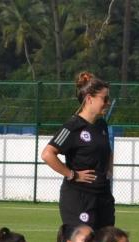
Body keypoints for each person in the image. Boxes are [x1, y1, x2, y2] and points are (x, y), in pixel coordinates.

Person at [41, 71, 115, 230]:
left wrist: (109, 171)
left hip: (102, 196)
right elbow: (48, 154)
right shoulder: (72, 126)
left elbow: (108, 151)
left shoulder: (102, 125)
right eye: (104, 98)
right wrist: (72, 174)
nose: (108, 102)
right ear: (89, 99)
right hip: (79, 197)